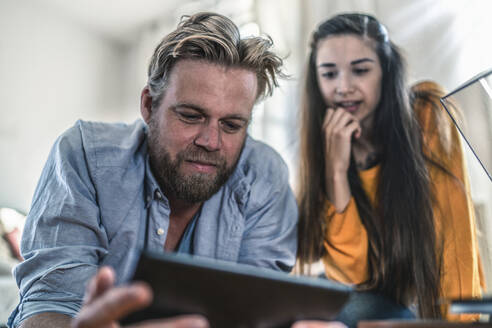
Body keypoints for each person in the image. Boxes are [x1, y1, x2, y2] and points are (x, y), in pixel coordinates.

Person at [8, 12, 304, 328]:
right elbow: (51, 303)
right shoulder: (84, 156)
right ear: (149, 106)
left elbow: (256, 313)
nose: (210, 141)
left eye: (232, 125)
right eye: (191, 116)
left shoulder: (265, 177)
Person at [296, 12, 484, 324]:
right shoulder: (325, 145)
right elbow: (352, 277)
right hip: (367, 301)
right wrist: (336, 171)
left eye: (360, 70)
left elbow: (453, 234)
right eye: (329, 74)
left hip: (423, 307)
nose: (343, 87)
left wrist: (463, 321)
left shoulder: (426, 112)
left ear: (385, 70)